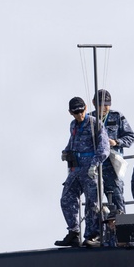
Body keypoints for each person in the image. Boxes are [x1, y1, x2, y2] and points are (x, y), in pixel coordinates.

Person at [56, 97, 110, 248]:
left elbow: (104, 147)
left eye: (81, 110)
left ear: (86, 108)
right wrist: (66, 152)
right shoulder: (73, 125)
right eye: (76, 112)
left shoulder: (95, 124)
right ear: (70, 113)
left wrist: (94, 164)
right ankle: (74, 232)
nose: (79, 114)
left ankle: (94, 234)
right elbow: (72, 142)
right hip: (76, 168)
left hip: (90, 169)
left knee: (93, 203)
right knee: (66, 198)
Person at [92, 90, 134, 218]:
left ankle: (122, 232)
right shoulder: (89, 120)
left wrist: (116, 142)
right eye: (102, 104)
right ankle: (95, 233)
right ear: (94, 103)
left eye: (107, 104)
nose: (105, 107)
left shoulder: (117, 117)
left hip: (112, 166)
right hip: (94, 167)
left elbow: (130, 137)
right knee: (94, 202)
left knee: (117, 200)